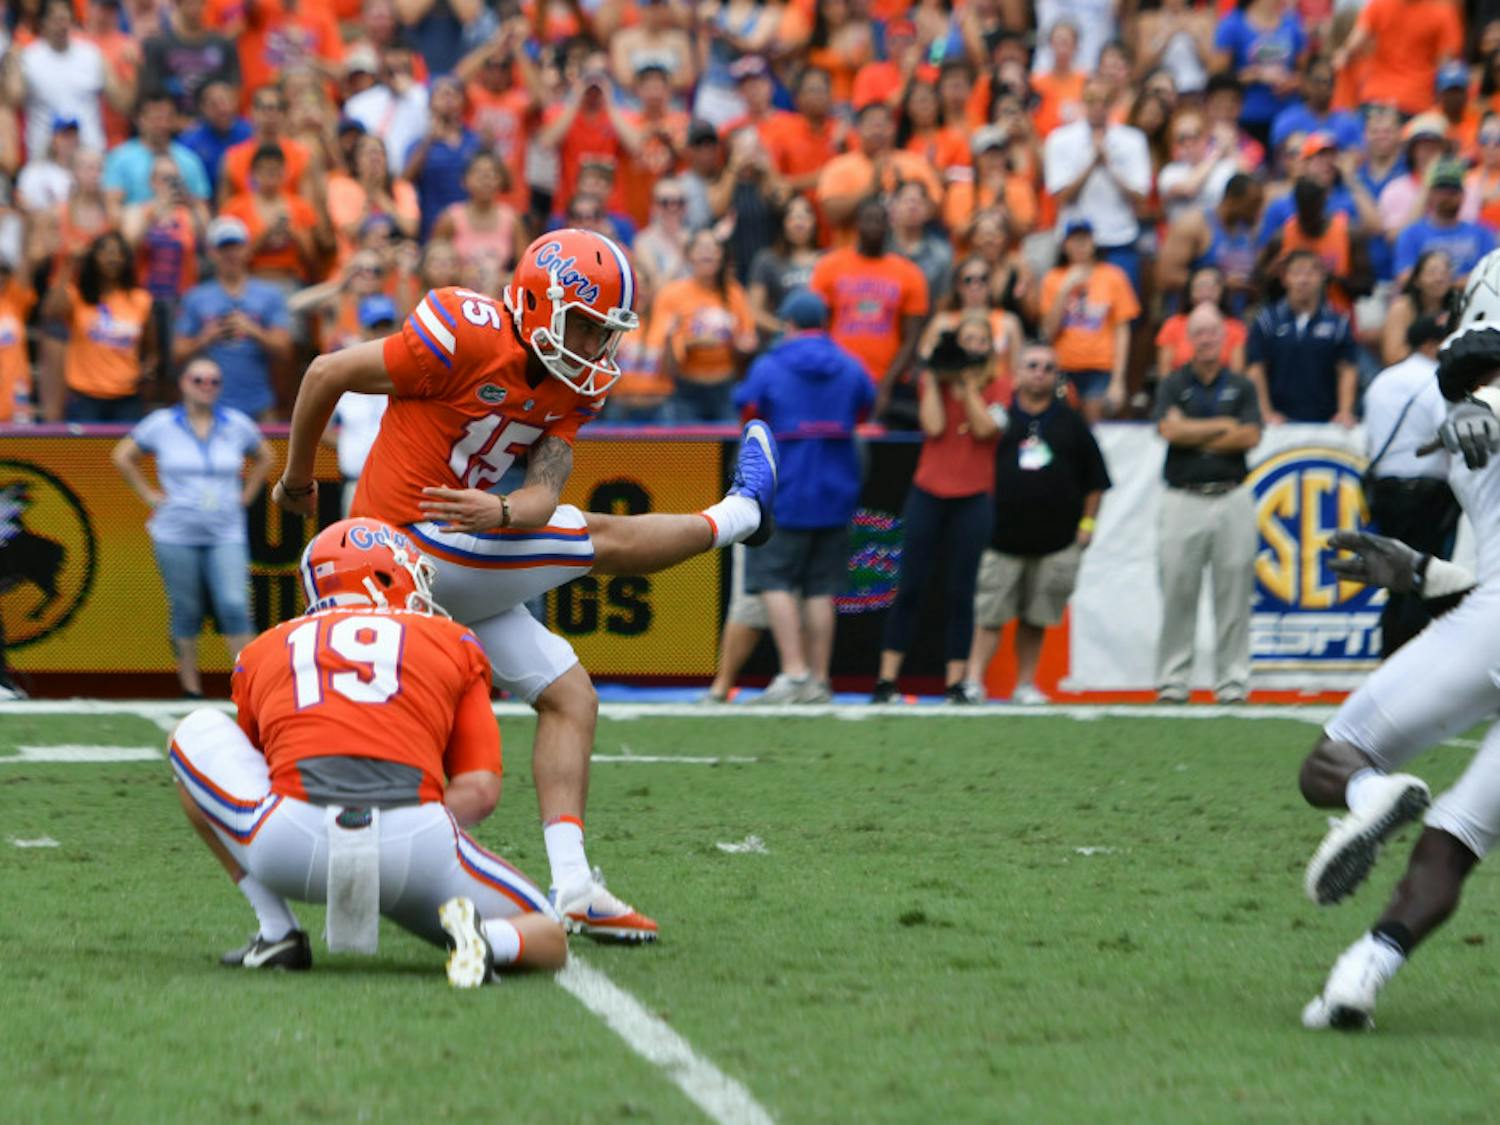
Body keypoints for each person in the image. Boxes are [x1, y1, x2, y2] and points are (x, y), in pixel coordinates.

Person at [270, 228, 781, 942]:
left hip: (455, 546)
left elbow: (540, 494)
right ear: (540, 299)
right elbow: (325, 371)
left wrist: (504, 510)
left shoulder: (573, 386)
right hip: (401, 543)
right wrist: (298, 476)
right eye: (587, 325)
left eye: (607, 332)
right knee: (600, 538)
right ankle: (742, 514)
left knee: (570, 697)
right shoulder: (462, 331)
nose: (598, 347)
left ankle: (571, 883)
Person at [167, 516, 567, 984]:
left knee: (193, 732)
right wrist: (398, 846)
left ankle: (277, 931)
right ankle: (482, 939)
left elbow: (261, 766)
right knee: (547, 935)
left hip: (290, 844)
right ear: (381, 576)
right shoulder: (452, 639)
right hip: (415, 844)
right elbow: (480, 791)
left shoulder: (261, 651)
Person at [1294, 257, 1500, 1027]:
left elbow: (1474, 397)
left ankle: (1369, 792)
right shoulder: (1471, 393)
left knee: (1329, 763)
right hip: (1487, 602)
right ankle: (1359, 975)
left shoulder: (1473, 390)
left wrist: (1474, 409)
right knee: (1456, 841)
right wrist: (1422, 571)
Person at [732, 290, 872, 705]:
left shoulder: (770, 365)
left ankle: (793, 673)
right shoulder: (850, 365)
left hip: (785, 487)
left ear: (789, 325)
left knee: (772, 579)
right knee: (820, 588)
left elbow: (749, 415)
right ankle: (819, 680)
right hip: (836, 488)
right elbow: (864, 410)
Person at [111, 358, 272, 698]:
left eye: (214, 381)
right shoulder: (162, 423)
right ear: (183, 383)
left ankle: (250, 685)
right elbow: (123, 455)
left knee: (233, 603)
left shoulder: (235, 424)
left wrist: (247, 495)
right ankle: (191, 688)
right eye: (199, 380)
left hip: (225, 529)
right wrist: (148, 494)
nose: (206, 386)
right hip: (175, 530)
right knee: (186, 607)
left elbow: (266, 457)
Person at [963, 341, 1110, 705]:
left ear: (1056, 376)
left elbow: (1097, 480)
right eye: (1032, 365)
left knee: (1036, 617)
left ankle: (1025, 684)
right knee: (989, 615)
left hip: (1056, 539)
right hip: (1001, 536)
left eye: (1047, 367)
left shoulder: (1071, 422)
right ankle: (972, 681)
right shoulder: (999, 418)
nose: (1039, 373)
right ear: (1017, 373)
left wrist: (1087, 526)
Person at [872, 320, 1008, 704]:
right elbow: (932, 426)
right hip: (929, 491)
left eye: (981, 341)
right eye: (967, 340)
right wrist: (933, 378)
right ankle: (886, 680)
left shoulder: (999, 386)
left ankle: (955, 682)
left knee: (961, 590)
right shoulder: (934, 381)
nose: (974, 347)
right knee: (910, 585)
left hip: (974, 495)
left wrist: (967, 390)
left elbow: (985, 430)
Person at [1151, 303, 1263, 704]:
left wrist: (1191, 431)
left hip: (1232, 495)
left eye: (1212, 332)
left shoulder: (1243, 385)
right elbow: (1168, 430)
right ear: (1188, 339)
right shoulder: (1172, 383)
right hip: (1183, 497)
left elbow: (1250, 436)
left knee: (1233, 592)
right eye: (1198, 332)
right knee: (1177, 589)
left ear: (1225, 337)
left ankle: (1232, 681)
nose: (1206, 339)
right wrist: (1221, 426)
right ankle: (1172, 681)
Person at [1360, 316, 1458, 657]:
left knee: (1394, 579)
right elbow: (1451, 434)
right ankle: (1412, 657)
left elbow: (1369, 439)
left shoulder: (1382, 381)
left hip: (1384, 490)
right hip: (1426, 493)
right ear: (1433, 345)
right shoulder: (1434, 381)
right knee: (1421, 578)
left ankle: (1388, 654)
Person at [809, 196, 929, 422]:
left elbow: (912, 338)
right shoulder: (829, 267)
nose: (873, 226)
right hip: (837, 377)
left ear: (889, 225)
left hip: (890, 381)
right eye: (867, 220)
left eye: (879, 221)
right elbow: (817, 327)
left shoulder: (910, 273)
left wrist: (886, 385)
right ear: (856, 225)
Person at [174, 217, 293, 421]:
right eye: (223, 248)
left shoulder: (269, 295)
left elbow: (285, 350)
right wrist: (205, 337)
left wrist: (253, 330)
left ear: (247, 250)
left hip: (259, 405)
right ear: (212, 253)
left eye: (236, 247)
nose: (230, 254)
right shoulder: (196, 297)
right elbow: (177, 354)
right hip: (208, 407)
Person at [1042, 75, 1151, 294]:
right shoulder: (1059, 139)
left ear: (1113, 103)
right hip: (1075, 241)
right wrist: (1093, 162)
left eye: (1104, 101)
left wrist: (1110, 166)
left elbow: (1140, 197)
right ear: (1083, 101)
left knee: (1124, 310)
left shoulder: (1133, 139)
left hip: (1119, 238)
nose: (1098, 107)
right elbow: (1061, 197)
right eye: (1092, 100)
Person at [44, 230, 155, 423]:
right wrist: (69, 264)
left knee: (125, 454)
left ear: (126, 259)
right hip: (85, 398)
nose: (112, 257)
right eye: (105, 251)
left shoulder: (141, 300)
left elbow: (153, 350)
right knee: (87, 455)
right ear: (93, 257)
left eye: (118, 252)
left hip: (127, 399)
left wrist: (147, 368)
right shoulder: (78, 297)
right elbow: (50, 311)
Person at [649, 229, 758, 423]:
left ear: (722, 256)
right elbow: (660, 353)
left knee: (730, 449)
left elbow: (748, 340)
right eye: (700, 248)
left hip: (726, 387)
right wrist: (691, 342)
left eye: (713, 248)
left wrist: (743, 345)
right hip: (687, 389)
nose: (707, 252)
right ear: (689, 255)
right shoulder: (671, 294)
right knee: (693, 452)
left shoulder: (735, 293)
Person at [1038, 219, 1140, 423]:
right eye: (1074, 239)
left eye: (1084, 239)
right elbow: (1048, 333)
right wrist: (1065, 290)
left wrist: (1118, 381)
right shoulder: (1053, 279)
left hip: (1101, 368)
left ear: (1093, 242)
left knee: (1097, 426)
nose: (1080, 244)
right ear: (1065, 244)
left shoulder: (1113, 276)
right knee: (1062, 426)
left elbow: (1123, 330)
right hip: (1063, 368)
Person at [1245, 250, 1357, 426]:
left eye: (1310, 273)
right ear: (1284, 278)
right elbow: (1256, 369)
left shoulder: (1338, 323)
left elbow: (1347, 369)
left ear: (1322, 277)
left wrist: (1344, 412)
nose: (1303, 280)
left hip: (1326, 422)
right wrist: (1265, 413)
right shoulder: (1267, 321)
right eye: (1296, 273)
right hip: (1279, 422)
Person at [1381, 250, 1454, 366]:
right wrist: (1425, 350)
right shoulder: (1402, 308)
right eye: (1432, 273)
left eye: (1444, 273)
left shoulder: (1457, 306)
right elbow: (1391, 356)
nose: (1439, 279)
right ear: (1416, 280)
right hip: (1409, 371)